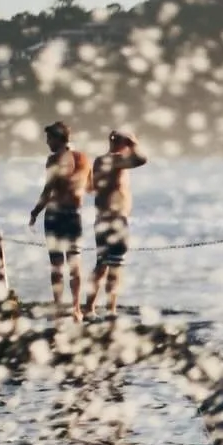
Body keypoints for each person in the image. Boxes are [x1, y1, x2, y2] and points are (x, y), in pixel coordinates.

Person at [29, 122, 92, 318]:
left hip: (56, 216)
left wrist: (35, 212)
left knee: (57, 264)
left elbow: (48, 190)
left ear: (58, 138)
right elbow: (91, 187)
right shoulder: (84, 158)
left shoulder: (53, 159)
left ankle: (58, 307)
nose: (47, 142)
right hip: (75, 214)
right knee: (75, 262)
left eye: (49, 138)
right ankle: (76, 309)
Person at [83, 130, 149, 316]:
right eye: (126, 143)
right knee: (115, 266)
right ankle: (110, 309)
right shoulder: (114, 159)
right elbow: (142, 159)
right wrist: (134, 142)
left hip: (103, 219)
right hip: (115, 220)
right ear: (121, 143)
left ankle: (90, 307)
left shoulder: (101, 161)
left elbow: (90, 187)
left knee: (102, 264)